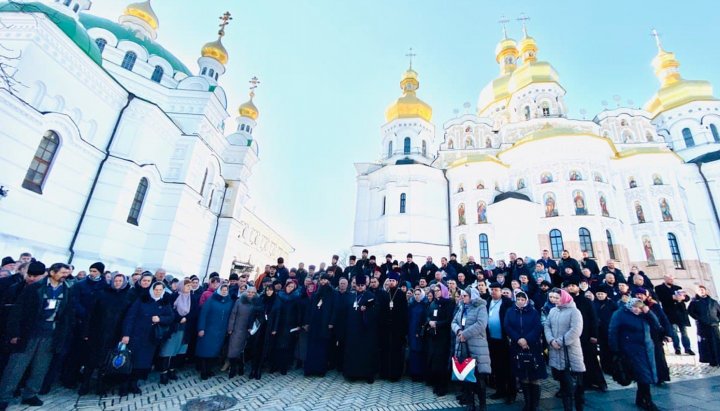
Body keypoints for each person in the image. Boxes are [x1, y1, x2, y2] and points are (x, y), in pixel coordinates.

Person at [0, 262, 74, 410]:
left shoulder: (67, 290)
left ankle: (30, 394)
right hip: (29, 333)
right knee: (16, 366)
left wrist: (61, 336)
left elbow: (66, 315)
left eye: (67, 273)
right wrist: (14, 333)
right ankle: (4, 396)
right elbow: (18, 312)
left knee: (40, 367)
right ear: (52, 272)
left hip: (50, 334)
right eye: (63, 273)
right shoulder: (35, 288)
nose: (66, 276)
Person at [80, 273, 133, 395]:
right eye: (116, 280)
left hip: (114, 335)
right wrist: (86, 331)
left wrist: (124, 334)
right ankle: (85, 384)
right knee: (90, 361)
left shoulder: (127, 298)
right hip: (97, 333)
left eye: (120, 281)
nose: (118, 283)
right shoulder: (102, 294)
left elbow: (127, 319)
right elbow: (91, 314)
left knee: (106, 362)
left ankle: (100, 385)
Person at [608, 298, 662, 411]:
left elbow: (656, 324)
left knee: (645, 374)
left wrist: (648, 312)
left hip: (647, 348)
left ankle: (640, 398)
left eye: (639, 307)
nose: (637, 310)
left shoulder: (643, 313)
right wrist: (615, 350)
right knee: (643, 374)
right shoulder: (620, 314)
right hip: (631, 349)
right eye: (635, 307)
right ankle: (647, 400)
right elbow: (613, 332)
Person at [66, 262, 108, 391]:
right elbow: (74, 301)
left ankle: (82, 376)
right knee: (75, 352)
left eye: (95, 271)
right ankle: (69, 378)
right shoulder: (80, 285)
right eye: (91, 270)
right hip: (80, 321)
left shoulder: (105, 286)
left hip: (94, 325)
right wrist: (84, 313)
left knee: (88, 353)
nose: (92, 273)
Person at [504, 291, 546, 411]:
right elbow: (507, 326)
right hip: (517, 346)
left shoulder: (533, 312)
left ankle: (535, 404)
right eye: (518, 299)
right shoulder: (510, 311)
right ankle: (527, 403)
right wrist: (518, 339)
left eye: (523, 299)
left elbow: (537, 327)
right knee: (522, 374)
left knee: (534, 374)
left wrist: (527, 340)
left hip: (532, 346)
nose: (520, 301)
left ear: (526, 300)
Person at [544, 288, 585, 411]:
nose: (554, 300)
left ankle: (579, 407)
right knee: (564, 384)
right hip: (556, 351)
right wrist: (551, 340)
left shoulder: (574, 311)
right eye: (551, 297)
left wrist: (560, 341)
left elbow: (576, 330)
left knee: (576, 385)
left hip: (570, 352)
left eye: (556, 297)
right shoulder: (552, 311)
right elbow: (547, 326)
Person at [452, 288, 491, 411]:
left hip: (477, 346)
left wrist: (465, 334)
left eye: (465, 296)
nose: (462, 298)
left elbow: (481, 324)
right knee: (466, 375)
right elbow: (454, 322)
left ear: (472, 296)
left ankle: (482, 403)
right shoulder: (461, 307)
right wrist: (458, 331)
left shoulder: (480, 307)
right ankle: (470, 403)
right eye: (462, 296)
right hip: (463, 346)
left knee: (479, 377)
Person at [565, 281, 606, 391]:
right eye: (569, 286)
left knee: (591, 359)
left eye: (573, 285)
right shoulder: (567, 302)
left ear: (578, 288)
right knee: (579, 360)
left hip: (587, 335)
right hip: (574, 336)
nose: (571, 288)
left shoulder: (586, 301)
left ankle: (600, 383)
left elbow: (593, 318)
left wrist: (594, 335)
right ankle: (584, 382)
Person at [158, 279, 196, 384]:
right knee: (168, 350)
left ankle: (172, 370)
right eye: (187, 285)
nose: (189, 287)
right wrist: (179, 318)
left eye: (190, 286)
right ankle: (163, 373)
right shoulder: (174, 296)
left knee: (178, 351)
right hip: (173, 327)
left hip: (185, 328)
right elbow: (170, 309)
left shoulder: (192, 297)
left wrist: (186, 318)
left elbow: (194, 311)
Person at [343, 274, 378, 383]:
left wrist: (366, 310)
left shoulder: (370, 296)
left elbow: (376, 312)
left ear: (365, 285)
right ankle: (353, 374)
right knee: (353, 353)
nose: (360, 287)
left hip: (365, 331)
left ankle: (368, 375)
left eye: (362, 285)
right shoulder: (351, 296)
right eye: (358, 285)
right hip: (353, 330)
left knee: (366, 354)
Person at [635, 288, 673, 385]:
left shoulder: (653, 305)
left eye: (641, 294)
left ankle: (661, 377)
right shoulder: (634, 306)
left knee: (658, 356)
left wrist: (668, 333)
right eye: (637, 294)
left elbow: (663, 319)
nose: (639, 296)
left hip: (654, 334)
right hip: (641, 334)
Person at [486, 282, 515, 404]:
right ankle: (500, 390)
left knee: (508, 368)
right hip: (492, 340)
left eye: (496, 290)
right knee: (496, 367)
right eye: (492, 289)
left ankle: (511, 393)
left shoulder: (508, 302)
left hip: (505, 340)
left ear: (501, 291)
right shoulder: (488, 301)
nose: (493, 292)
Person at [378, 271, 408, 381]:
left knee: (396, 352)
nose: (391, 282)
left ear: (397, 282)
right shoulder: (386, 294)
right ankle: (385, 373)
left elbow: (404, 313)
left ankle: (395, 375)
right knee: (386, 350)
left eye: (393, 281)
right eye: (390, 280)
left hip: (397, 329)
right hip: (386, 328)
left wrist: (403, 329)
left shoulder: (400, 294)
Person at [303, 274, 336, 376]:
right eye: (321, 280)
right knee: (312, 347)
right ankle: (309, 369)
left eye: (325, 280)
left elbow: (334, 309)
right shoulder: (316, 293)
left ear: (328, 281)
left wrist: (331, 322)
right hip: (314, 323)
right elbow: (309, 308)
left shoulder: (332, 293)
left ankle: (320, 370)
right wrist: (307, 322)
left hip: (325, 324)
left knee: (322, 348)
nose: (323, 282)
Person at [425, 283, 454, 396]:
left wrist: (437, 323)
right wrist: (430, 321)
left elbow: (449, 320)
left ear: (443, 291)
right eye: (435, 290)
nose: (436, 292)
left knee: (442, 362)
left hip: (443, 337)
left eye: (438, 290)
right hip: (433, 336)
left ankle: (443, 386)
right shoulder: (433, 303)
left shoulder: (449, 303)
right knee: (434, 361)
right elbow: (428, 315)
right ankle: (436, 384)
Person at [654, 274, 694, 355]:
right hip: (670, 313)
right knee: (674, 332)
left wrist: (683, 298)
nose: (671, 280)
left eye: (672, 279)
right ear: (665, 279)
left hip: (681, 313)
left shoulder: (677, 288)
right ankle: (677, 348)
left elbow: (687, 298)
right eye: (669, 279)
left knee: (684, 332)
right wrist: (673, 298)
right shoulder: (659, 288)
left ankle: (687, 348)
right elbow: (661, 298)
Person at [249, 284, 278, 379]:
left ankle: (259, 369)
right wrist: (250, 326)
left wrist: (274, 329)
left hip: (268, 328)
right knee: (255, 348)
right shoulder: (260, 299)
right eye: (267, 290)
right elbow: (253, 313)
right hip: (259, 327)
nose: (269, 292)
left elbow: (277, 316)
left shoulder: (276, 301)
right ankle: (253, 369)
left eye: (270, 290)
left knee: (264, 350)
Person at [227, 287, 257, 378]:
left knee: (243, 350)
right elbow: (233, 315)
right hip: (238, 329)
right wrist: (230, 328)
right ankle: (233, 367)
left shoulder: (257, 303)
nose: (251, 294)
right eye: (249, 292)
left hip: (250, 330)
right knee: (233, 349)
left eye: (253, 292)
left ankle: (241, 366)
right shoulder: (239, 301)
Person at [271, 281, 301, 375]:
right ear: (285, 287)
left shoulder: (296, 298)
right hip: (279, 324)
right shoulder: (279, 296)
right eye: (289, 286)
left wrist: (297, 324)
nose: (290, 288)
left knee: (286, 347)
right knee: (276, 346)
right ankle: (274, 365)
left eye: (292, 287)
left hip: (290, 326)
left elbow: (298, 313)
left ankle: (284, 367)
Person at [688, 286, 720, 367]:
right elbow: (690, 312)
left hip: (714, 325)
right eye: (699, 290)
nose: (701, 291)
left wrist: (717, 320)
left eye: (702, 290)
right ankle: (711, 360)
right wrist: (699, 319)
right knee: (706, 344)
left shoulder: (713, 302)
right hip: (703, 326)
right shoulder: (695, 302)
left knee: (716, 343)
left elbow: (718, 312)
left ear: (705, 291)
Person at [592, 285, 618, 375]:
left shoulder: (612, 304)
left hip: (610, 329)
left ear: (605, 294)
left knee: (612, 349)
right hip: (599, 331)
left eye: (601, 294)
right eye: (598, 294)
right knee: (603, 351)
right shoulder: (594, 303)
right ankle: (605, 368)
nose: (599, 296)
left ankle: (614, 367)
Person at [407, 288, 427, 382]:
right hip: (411, 331)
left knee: (419, 352)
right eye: (415, 294)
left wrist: (420, 331)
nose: (417, 296)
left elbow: (424, 320)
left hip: (419, 332)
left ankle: (420, 373)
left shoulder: (424, 306)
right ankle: (413, 373)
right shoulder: (411, 305)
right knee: (413, 352)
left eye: (419, 294)